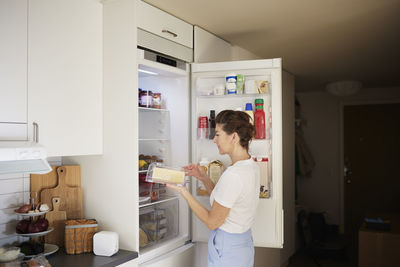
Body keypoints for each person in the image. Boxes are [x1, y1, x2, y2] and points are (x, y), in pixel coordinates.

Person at [167, 110, 260, 267]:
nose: (214, 140)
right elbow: (224, 199)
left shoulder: (234, 175)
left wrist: (183, 191)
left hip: (228, 247)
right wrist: (203, 177)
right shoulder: (250, 166)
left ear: (234, 137)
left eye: (217, 134)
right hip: (242, 244)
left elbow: (212, 222)